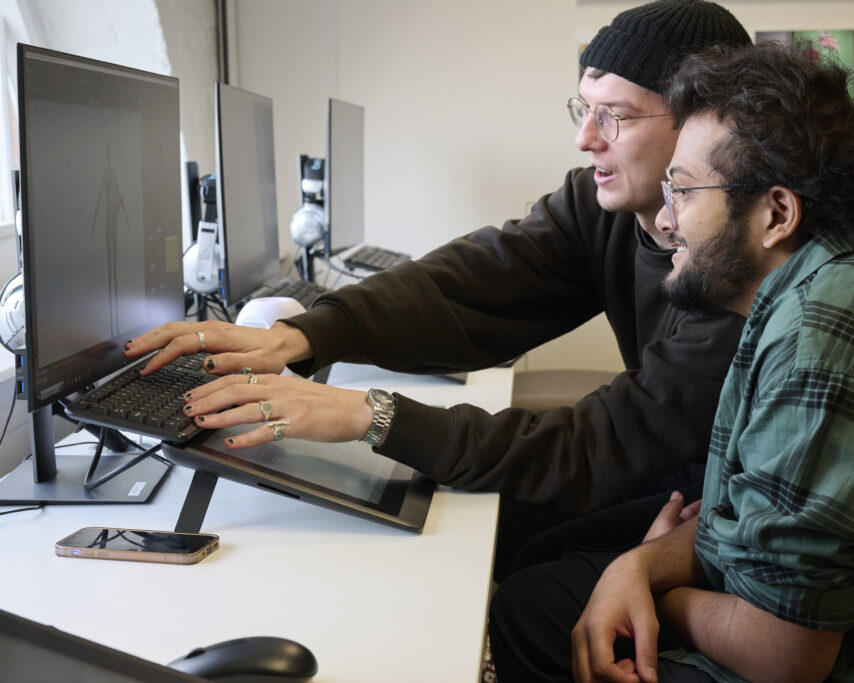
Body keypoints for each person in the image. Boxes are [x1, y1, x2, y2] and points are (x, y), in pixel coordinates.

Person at [125, 0, 752, 577]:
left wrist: (372, 416)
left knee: (509, 565)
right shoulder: (603, 209)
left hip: (704, 512)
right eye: (582, 108)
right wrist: (306, 333)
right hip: (651, 466)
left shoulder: (746, 271)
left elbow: (607, 443)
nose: (585, 137)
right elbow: (473, 283)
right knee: (456, 515)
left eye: (613, 116)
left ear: (706, 126)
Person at [492, 42, 854, 682]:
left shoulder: (820, 346)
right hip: (844, 608)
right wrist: (639, 565)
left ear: (776, 213)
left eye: (683, 190)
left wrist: (661, 595)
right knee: (552, 572)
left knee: (532, 614)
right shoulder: (838, 271)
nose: (664, 218)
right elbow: (756, 514)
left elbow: (787, 658)